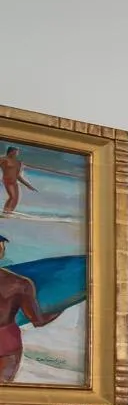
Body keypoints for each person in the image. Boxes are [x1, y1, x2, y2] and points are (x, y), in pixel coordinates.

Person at [0, 235, 53, 384]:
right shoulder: (20, 284)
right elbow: (38, 321)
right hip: (6, 340)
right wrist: (59, 309)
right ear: (1, 251)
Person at [0, 147, 39, 217]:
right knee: (12, 197)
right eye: (15, 152)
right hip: (7, 180)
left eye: (17, 152)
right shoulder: (3, 159)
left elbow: (18, 176)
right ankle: (5, 212)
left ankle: (9, 213)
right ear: (11, 152)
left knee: (16, 199)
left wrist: (28, 185)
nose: (17, 154)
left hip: (14, 181)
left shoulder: (19, 163)